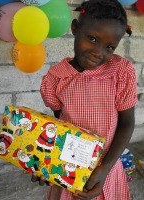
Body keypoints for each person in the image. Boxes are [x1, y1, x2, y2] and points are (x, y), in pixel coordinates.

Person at [32, 0, 138, 199]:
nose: (98, 52)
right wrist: (44, 163)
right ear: (75, 28)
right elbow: (59, 128)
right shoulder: (56, 78)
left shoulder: (121, 72)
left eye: (109, 47)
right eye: (91, 38)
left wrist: (104, 169)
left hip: (106, 168)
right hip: (67, 169)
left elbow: (126, 123)